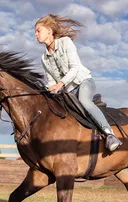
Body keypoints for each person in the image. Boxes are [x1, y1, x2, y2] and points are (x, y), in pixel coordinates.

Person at [35, 14, 122, 152]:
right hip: (66, 91)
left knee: (84, 101)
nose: (36, 34)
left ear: (49, 31)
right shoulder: (43, 58)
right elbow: (51, 81)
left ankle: (110, 134)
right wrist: (47, 89)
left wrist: (60, 83)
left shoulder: (65, 42)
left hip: (83, 81)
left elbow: (75, 68)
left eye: (38, 31)